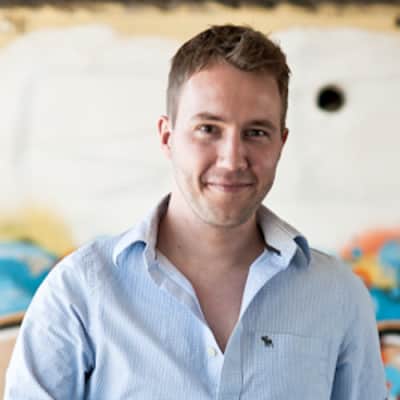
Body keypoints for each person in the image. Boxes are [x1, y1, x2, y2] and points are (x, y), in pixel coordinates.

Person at [5, 24, 387, 399]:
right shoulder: (80, 290)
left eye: (256, 132)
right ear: (167, 136)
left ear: (281, 143)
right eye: (208, 128)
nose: (232, 159)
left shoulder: (338, 296)